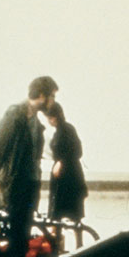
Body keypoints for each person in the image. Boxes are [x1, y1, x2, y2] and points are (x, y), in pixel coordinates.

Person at [0, 76, 57, 257]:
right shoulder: (15, 115)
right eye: (52, 96)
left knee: (24, 227)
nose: (53, 101)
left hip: (30, 183)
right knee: (17, 228)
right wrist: (0, 178)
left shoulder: (34, 120)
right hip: (16, 182)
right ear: (42, 95)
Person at [44, 102, 88, 248]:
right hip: (63, 175)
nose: (49, 121)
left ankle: (78, 245)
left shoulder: (67, 129)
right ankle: (58, 245)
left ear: (56, 116)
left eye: (49, 118)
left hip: (69, 175)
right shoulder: (59, 131)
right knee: (59, 212)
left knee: (72, 212)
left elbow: (77, 151)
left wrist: (61, 161)